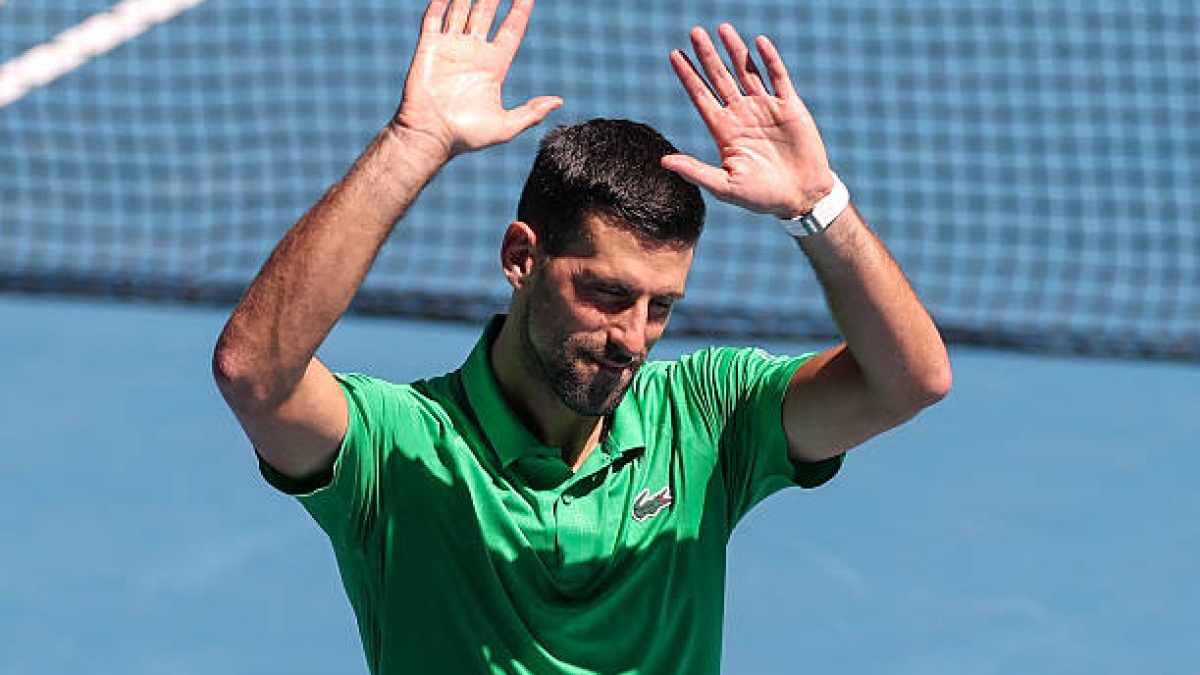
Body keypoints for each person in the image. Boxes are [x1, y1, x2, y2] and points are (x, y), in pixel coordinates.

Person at [212, 0, 952, 672]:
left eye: (660, 306)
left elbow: (909, 380)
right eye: (607, 294)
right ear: (521, 258)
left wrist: (819, 207)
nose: (632, 336)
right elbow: (254, 372)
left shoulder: (707, 419)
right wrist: (416, 142)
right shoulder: (400, 451)